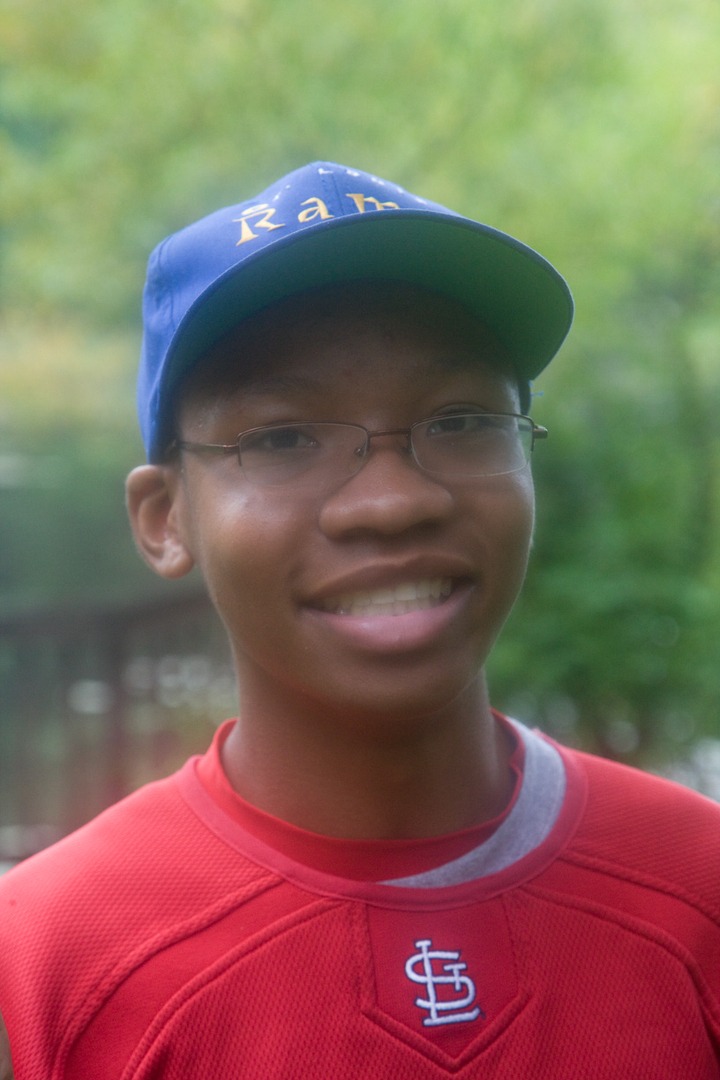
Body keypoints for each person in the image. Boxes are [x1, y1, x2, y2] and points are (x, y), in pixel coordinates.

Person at [1, 161, 719, 1079]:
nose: (390, 502)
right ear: (165, 518)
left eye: (460, 420)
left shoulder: (696, 890)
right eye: (283, 439)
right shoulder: (48, 965)